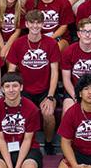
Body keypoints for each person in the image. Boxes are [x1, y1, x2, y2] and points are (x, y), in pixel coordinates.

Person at [7, 10, 62, 154]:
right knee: (18, 114)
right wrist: (12, 92)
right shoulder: (18, 44)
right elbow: (11, 71)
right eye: (32, 23)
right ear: (27, 24)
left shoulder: (51, 43)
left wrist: (50, 96)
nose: (35, 26)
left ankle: (48, 142)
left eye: (38, 23)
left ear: (43, 24)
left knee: (48, 113)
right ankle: (20, 143)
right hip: (24, 90)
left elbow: (55, 71)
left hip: (45, 89)